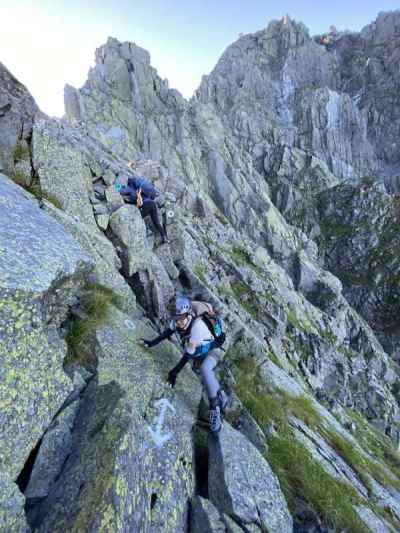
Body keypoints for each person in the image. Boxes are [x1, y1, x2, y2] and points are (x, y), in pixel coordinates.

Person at [141, 296, 228, 433]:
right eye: (176, 318)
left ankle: (215, 408)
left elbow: (187, 356)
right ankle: (221, 396)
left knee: (205, 370)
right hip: (201, 349)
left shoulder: (197, 327)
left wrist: (173, 374)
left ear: (188, 315)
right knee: (204, 370)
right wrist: (151, 343)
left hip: (215, 349)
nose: (179, 322)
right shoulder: (178, 320)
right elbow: (166, 333)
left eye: (181, 318)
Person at [117, 161, 169, 244]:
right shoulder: (141, 188)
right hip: (152, 204)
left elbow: (119, 190)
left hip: (146, 205)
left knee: (138, 216)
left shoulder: (131, 190)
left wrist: (137, 196)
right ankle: (164, 237)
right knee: (156, 222)